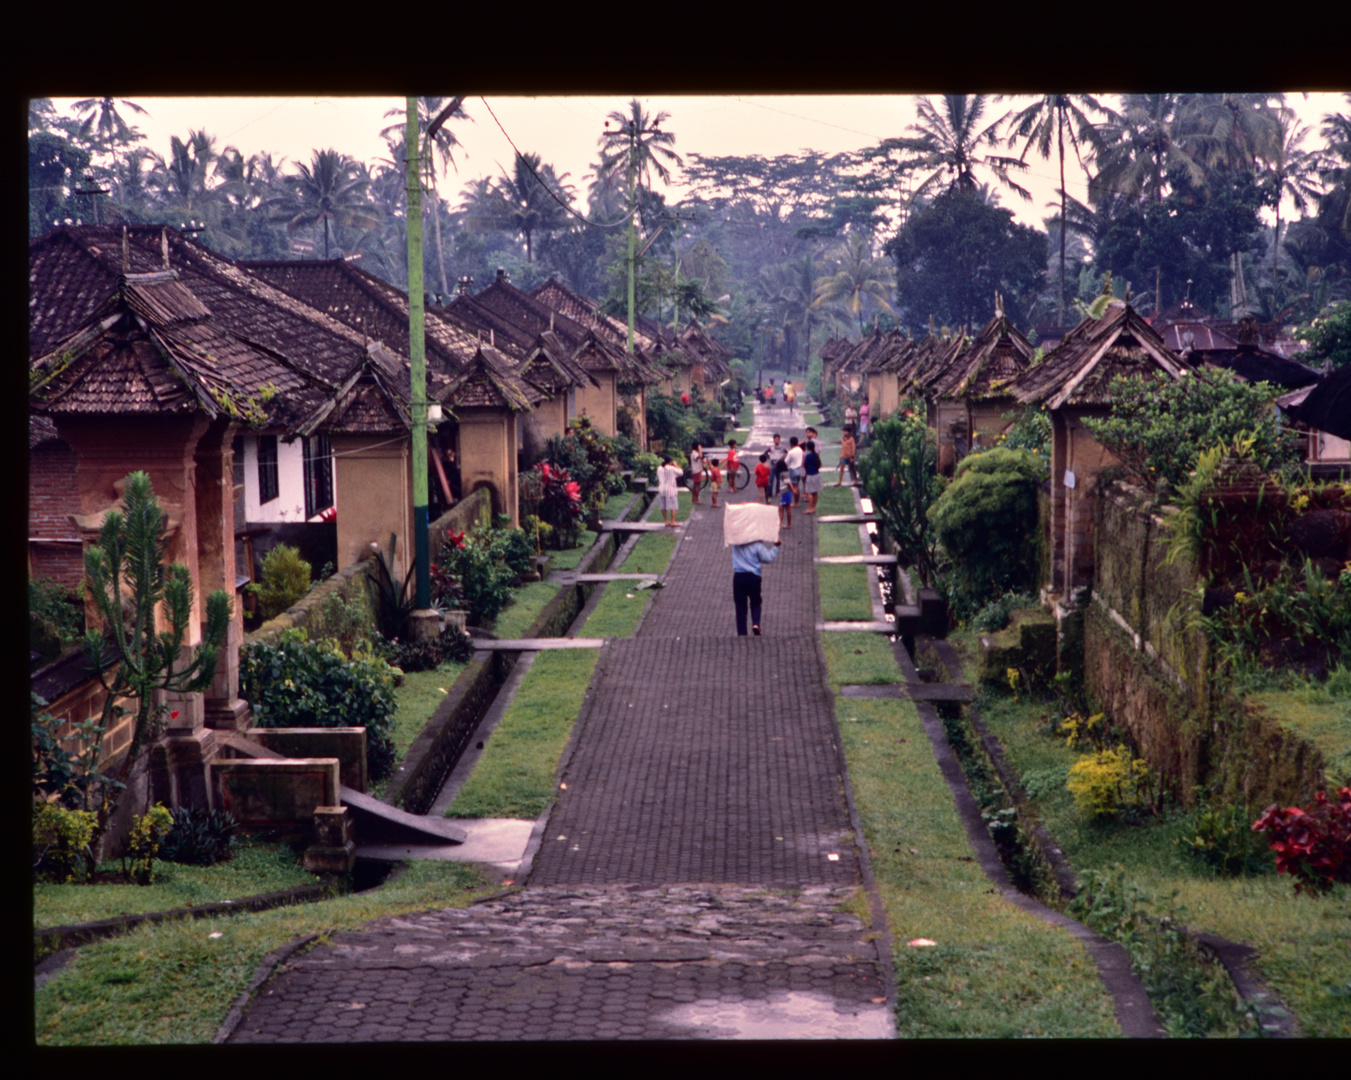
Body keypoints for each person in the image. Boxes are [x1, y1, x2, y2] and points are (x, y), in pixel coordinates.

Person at [731, 535, 781, 636]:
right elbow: (768, 558)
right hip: (754, 577)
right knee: (755, 602)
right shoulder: (757, 545)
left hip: (739, 577)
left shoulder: (735, 544)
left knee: (740, 606)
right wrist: (775, 546)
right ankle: (755, 623)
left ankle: (742, 633)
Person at [656, 456, 682, 526]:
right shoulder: (671, 468)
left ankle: (666, 521)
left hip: (661, 488)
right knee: (673, 505)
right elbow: (681, 473)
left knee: (663, 505)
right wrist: (676, 465)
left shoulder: (659, 468)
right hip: (670, 489)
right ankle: (673, 521)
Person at [802, 437, 822, 515]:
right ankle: (814, 507)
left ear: (807, 447)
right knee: (815, 492)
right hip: (817, 474)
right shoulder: (816, 455)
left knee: (809, 492)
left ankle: (810, 508)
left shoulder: (808, 455)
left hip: (810, 474)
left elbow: (805, 465)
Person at [785, 436, 804, 505]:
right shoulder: (800, 450)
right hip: (799, 469)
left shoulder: (791, 452)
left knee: (793, 487)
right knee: (797, 486)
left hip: (792, 469)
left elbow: (786, 462)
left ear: (791, 443)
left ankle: (795, 502)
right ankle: (796, 502)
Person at [767, 433, 787, 499]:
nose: (776, 441)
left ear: (780, 440)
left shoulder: (782, 447)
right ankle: (769, 492)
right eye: (775, 439)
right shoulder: (771, 447)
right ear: (773, 440)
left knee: (778, 479)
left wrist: (784, 458)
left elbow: (787, 453)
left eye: (778, 439)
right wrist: (769, 457)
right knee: (771, 478)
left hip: (779, 464)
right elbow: (765, 453)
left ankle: (777, 492)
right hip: (773, 464)